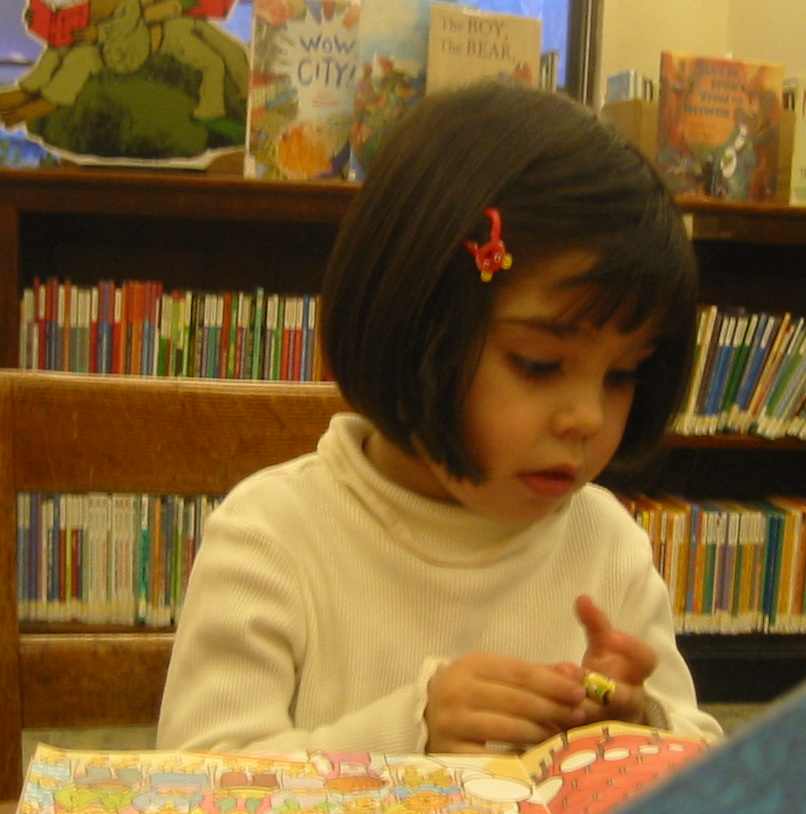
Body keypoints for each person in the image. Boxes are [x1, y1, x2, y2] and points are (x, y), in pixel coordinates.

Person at [156, 80, 723, 755]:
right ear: (415, 325)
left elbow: (701, 755)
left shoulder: (606, 544)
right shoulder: (273, 537)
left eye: (623, 374)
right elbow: (196, 783)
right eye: (538, 364)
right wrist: (408, 735)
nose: (587, 417)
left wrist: (636, 725)